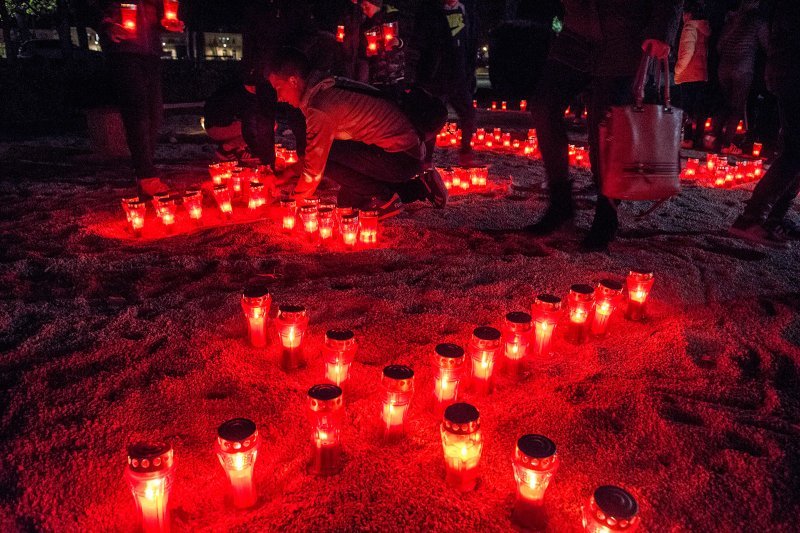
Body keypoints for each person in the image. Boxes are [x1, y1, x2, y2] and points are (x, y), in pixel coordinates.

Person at [525, 0, 682, 252]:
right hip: (576, 34)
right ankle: (561, 202)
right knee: (544, 105)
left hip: (624, 37)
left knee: (608, 128)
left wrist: (662, 31)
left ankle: (606, 212)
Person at [267, 48, 447, 218]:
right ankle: (419, 186)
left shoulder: (321, 107)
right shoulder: (327, 85)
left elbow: (314, 168)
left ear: (293, 81)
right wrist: (290, 172)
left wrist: (291, 202)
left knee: (329, 156)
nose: (279, 98)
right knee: (347, 202)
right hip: (404, 152)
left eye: (278, 88)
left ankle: (386, 200)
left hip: (402, 158)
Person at [95, 0, 183, 198]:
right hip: (124, 52)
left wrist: (167, 23)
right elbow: (93, 8)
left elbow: (155, 16)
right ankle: (145, 174)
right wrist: (108, 26)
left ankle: (143, 170)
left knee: (155, 114)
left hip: (150, 52)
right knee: (137, 114)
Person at [729, 0, 800, 245]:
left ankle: (773, 218)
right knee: (795, 150)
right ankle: (752, 217)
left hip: (786, 71)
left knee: (794, 149)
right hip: (793, 73)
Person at [241, 0, 317, 165]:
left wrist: (292, 52)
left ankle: (304, 159)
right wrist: (249, 73)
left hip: (287, 69)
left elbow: (310, 33)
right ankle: (267, 162)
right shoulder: (258, 6)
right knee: (264, 118)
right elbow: (249, 38)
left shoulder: (297, 6)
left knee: (297, 115)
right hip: (264, 69)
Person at [407, 0, 478, 167]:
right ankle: (425, 161)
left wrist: (469, 71)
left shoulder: (466, 11)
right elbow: (421, 42)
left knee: (469, 114)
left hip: (459, 76)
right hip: (437, 76)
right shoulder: (431, 11)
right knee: (433, 119)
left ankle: (466, 153)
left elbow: (470, 42)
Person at [706, 0, 768, 154]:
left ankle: (712, 138)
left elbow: (719, 45)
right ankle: (727, 144)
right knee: (737, 107)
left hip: (724, 67)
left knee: (726, 104)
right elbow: (767, 44)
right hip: (743, 68)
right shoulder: (757, 21)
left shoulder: (733, 20)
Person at [674, 1, 711, 149]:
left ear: (688, 14)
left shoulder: (689, 27)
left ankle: (688, 138)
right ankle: (699, 139)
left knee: (687, 109)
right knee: (700, 109)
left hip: (689, 74)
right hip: (702, 73)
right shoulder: (705, 28)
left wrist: (677, 70)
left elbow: (686, 52)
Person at [356, 0, 406, 87]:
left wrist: (398, 42)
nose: (363, 9)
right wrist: (366, 52)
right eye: (361, 5)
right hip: (376, 73)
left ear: (375, 4)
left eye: (365, 5)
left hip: (395, 72)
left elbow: (406, 39)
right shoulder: (365, 25)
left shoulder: (393, 17)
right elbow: (362, 48)